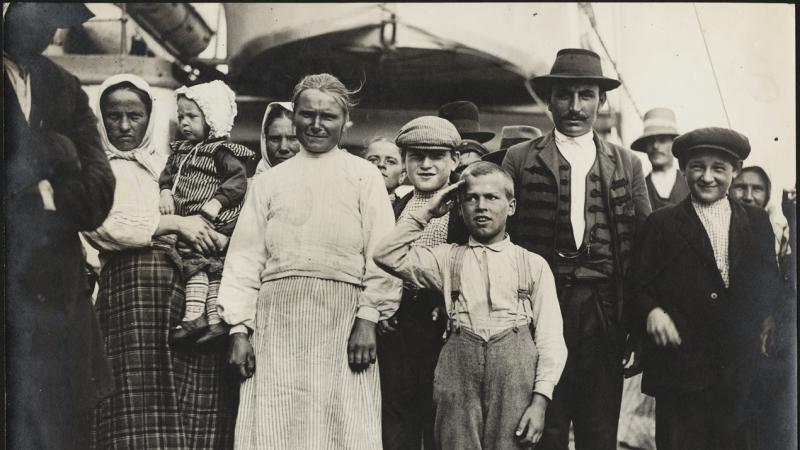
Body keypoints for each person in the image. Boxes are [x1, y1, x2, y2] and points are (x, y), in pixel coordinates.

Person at [217, 73, 403, 450]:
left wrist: (368, 319)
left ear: (344, 120)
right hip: (277, 324)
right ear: (295, 115)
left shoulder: (363, 176)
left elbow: (384, 256)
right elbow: (245, 258)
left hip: (342, 321)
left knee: (342, 424)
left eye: (328, 116)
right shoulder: (268, 183)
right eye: (307, 114)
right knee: (277, 425)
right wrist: (238, 329)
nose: (316, 125)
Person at [501, 48, 651, 450]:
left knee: (599, 427)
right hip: (539, 307)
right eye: (565, 95)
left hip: (604, 310)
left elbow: (642, 249)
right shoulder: (518, 159)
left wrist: (635, 324)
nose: (575, 106)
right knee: (542, 422)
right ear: (549, 100)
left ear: (601, 101)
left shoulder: (627, 163)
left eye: (586, 95)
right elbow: (502, 238)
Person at [83, 74, 240, 449]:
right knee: (131, 403)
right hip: (129, 302)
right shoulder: (94, 171)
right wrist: (171, 224)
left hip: (177, 296)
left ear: (150, 117)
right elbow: (102, 224)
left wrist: (213, 233)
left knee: (185, 400)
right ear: (100, 118)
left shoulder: (169, 164)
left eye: (134, 115)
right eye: (113, 115)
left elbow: (209, 209)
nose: (124, 125)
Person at [374, 162, 568, 450]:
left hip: (515, 375)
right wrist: (428, 211)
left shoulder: (533, 265)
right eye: (471, 198)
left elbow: (551, 340)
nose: (481, 206)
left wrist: (540, 401)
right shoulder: (446, 258)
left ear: (511, 206)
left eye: (491, 197)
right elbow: (385, 255)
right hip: (458, 370)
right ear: (459, 206)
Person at [4, 4, 116, 449]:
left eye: (55, 23)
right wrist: (50, 151)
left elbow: (99, 191)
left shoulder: (64, 88)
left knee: (62, 429)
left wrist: (43, 197)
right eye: (42, 18)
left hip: (57, 296)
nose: (49, 33)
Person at [628, 127, 781, 450]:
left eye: (719, 168)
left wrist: (767, 319)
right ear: (683, 169)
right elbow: (637, 285)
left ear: (735, 171)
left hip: (738, 372)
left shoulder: (756, 222)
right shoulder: (662, 224)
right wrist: (653, 311)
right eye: (697, 166)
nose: (707, 177)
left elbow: (768, 281)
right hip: (681, 370)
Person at [376, 116, 468, 450]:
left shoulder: (465, 209)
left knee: (440, 427)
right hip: (398, 332)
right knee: (397, 426)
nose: (426, 165)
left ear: (454, 160)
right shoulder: (392, 206)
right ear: (404, 161)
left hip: (446, 333)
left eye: (437, 156)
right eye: (417, 156)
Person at [159, 80, 255, 344]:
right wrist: (166, 192)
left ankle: (194, 315)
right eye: (181, 116)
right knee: (207, 268)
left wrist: (217, 201)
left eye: (192, 116)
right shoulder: (179, 152)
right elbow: (165, 178)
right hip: (190, 220)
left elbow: (237, 181)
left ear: (212, 119)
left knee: (196, 263)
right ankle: (213, 320)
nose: (184, 123)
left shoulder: (221, 152)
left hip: (212, 219)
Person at [729, 165, 795, 450]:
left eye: (756, 189)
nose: (748, 195)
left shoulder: (781, 228)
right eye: (741, 187)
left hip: (771, 327)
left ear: (767, 194)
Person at [631, 108, 689, 211]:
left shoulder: (690, 184)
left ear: (674, 143)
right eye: (650, 141)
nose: (655, 146)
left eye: (662, 140)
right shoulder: (637, 189)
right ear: (645, 147)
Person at [254, 101, 301, 176]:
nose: (283, 147)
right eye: (275, 139)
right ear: (264, 141)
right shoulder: (253, 186)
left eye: (293, 138)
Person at [364, 136, 406, 206]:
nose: (381, 164)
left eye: (390, 161)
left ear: (402, 176)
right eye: (373, 160)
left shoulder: (406, 212)